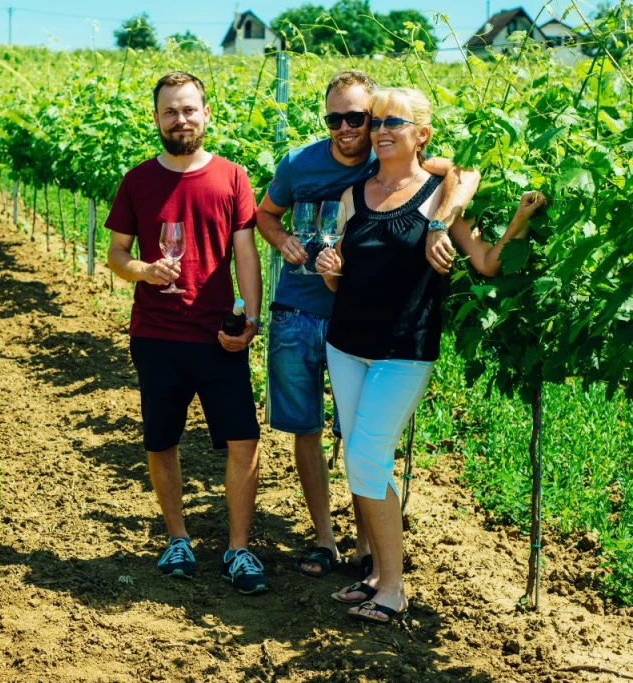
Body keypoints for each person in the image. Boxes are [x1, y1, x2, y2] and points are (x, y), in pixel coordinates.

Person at [315, 86, 547, 624]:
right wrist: (331, 270)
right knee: (365, 459)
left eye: (392, 122)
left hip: (405, 349)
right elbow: (341, 276)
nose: (379, 131)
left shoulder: (441, 200)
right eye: (375, 122)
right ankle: (375, 574)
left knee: (365, 459)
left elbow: (487, 263)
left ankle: (393, 590)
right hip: (346, 345)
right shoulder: (356, 195)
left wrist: (519, 221)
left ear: (422, 134)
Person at [255, 70, 479, 579]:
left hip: (361, 322)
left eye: (360, 116)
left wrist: (442, 222)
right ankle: (323, 538)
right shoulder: (299, 163)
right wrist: (281, 239)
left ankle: (368, 549)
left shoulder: (395, 160)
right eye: (336, 118)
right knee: (306, 428)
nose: (349, 127)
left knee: (358, 441)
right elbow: (264, 214)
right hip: (299, 310)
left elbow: (461, 172)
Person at [105, 71, 269, 595]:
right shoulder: (137, 181)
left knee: (244, 440)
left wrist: (250, 319)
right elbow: (116, 255)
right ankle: (177, 538)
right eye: (170, 111)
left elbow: (246, 253)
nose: (181, 120)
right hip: (156, 333)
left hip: (217, 334)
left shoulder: (233, 178)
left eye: (189, 110)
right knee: (162, 438)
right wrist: (145, 271)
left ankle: (238, 550)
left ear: (206, 114)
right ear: (156, 118)